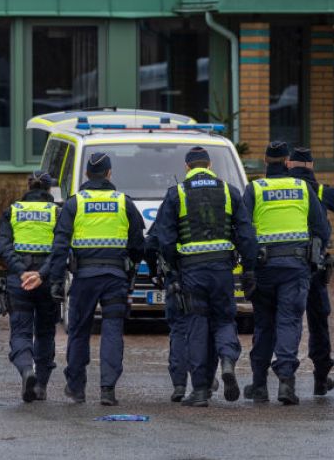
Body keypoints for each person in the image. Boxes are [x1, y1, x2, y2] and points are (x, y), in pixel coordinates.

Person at [152, 146, 257, 407]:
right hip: (222, 270)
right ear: (209, 166)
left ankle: (199, 391)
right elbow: (246, 235)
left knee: (197, 326)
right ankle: (228, 362)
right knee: (224, 320)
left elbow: (164, 239)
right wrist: (249, 270)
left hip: (192, 273)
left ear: (187, 168)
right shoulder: (229, 191)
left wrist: (173, 272)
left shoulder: (176, 193)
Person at [47, 152, 145, 406]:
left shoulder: (74, 203)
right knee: (112, 330)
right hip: (115, 277)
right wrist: (131, 268)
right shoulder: (124, 202)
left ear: (87, 175)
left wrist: (56, 281)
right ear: (110, 173)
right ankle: (108, 389)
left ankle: (76, 388)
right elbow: (138, 244)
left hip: (84, 278)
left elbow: (59, 245)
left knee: (79, 331)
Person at [242, 141, 331, 406]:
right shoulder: (302, 188)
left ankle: (259, 384)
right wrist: (315, 254)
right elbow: (322, 229)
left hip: (264, 270)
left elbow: (244, 231)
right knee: (289, 322)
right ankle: (285, 384)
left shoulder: (255, 189)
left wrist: (247, 267)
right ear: (288, 163)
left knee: (264, 324)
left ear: (266, 162)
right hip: (295, 268)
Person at [287, 146, 334, 395]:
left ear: (289, 165)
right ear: (312, 166)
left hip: (285, 265)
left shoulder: (282, 190)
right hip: (315, 266)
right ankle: (321, 378)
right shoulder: (320, 190)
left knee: (284, 320)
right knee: (318, 322)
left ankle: (283, 376)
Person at [0, 170, 62, 403]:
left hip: (19, 281)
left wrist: (22, 272)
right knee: (45, 332)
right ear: (49, 187)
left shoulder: (13, 211)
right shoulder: (57, 212)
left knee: (21, 331)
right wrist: (41, 274)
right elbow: (60, 249)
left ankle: (26, 370)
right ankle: (41, 385)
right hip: (47, 281)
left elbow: (4, 246)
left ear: (28, 186)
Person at [145, 223, 219, 402]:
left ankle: (179, 384)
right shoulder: (214, 204)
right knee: (205, 329)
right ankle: (205, 381)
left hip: (176, 278)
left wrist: (154, 270)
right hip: (208, 276)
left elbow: (150, 244)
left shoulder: (172, 203)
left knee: (179, 328)